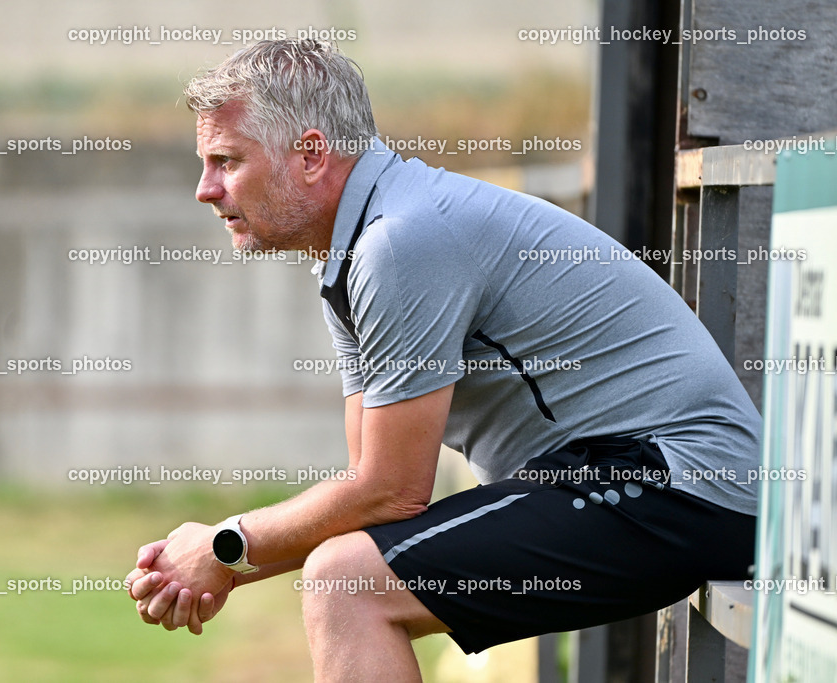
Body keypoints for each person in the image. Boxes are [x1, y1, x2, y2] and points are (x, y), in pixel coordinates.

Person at [125, 39, 760, 682]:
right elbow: (367, 494)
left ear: (311, 155)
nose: (205, 190)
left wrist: (225, 546)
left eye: (226, 161)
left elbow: (392, 491)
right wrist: (225, 562)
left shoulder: (401, 243)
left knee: (346, 583)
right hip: (633, 481)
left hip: (681, 485)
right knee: (346, 571)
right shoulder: (357, 249)